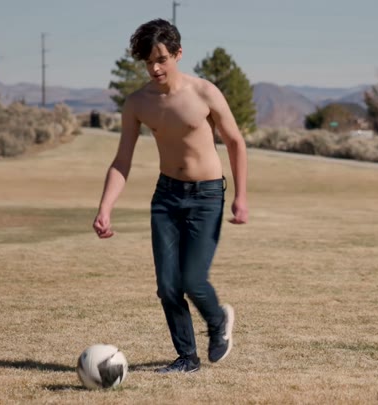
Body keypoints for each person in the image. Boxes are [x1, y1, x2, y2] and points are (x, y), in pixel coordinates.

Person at [93, 18, 248, 373]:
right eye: (148, 62)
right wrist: (105, 208)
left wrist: (241, 196)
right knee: (167, 286)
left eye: (161, 59)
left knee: (192, 279)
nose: (155, 69)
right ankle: (187, 357)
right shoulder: (138, 103)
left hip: (207, 196)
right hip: (166, 197)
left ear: (178, 54)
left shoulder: (204, 92)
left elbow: (235, 142)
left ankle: (218, 320)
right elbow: (122, 159)